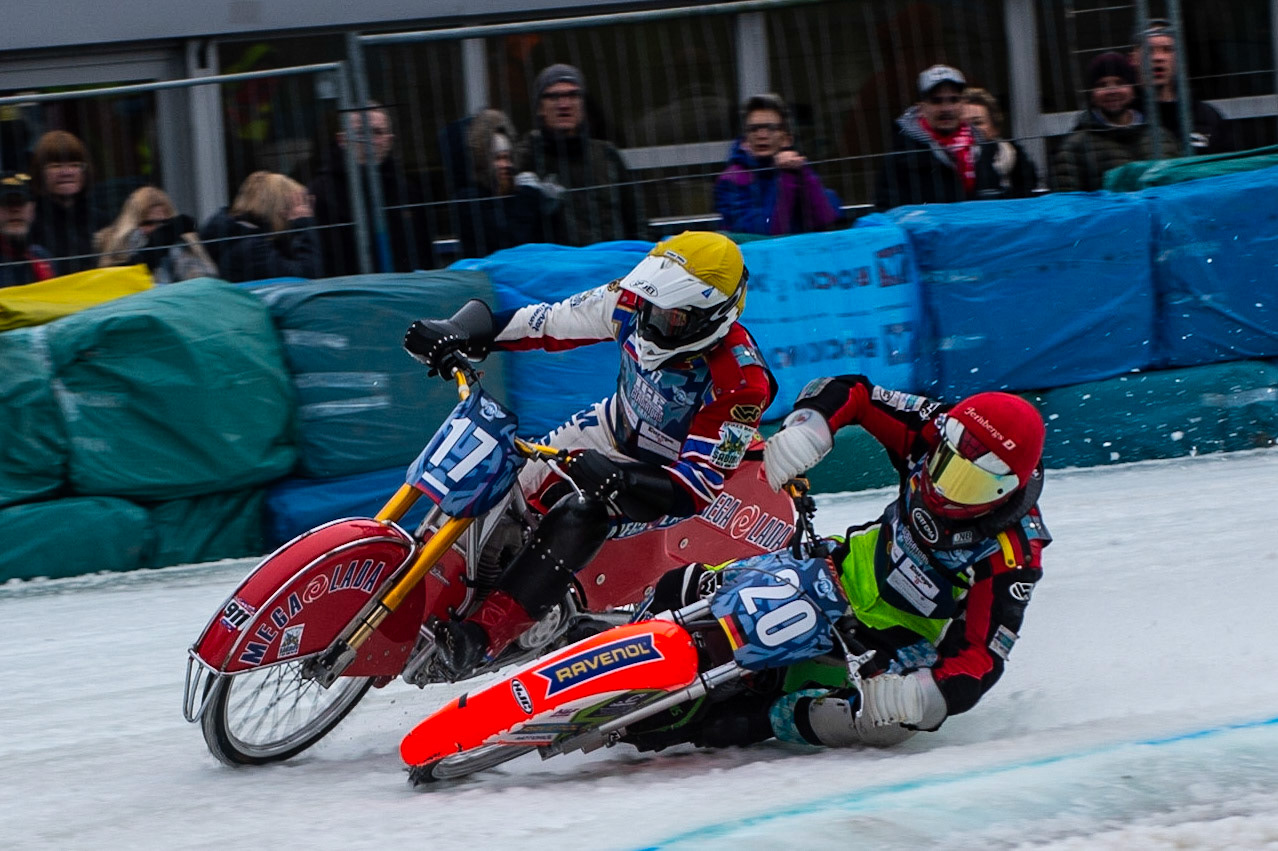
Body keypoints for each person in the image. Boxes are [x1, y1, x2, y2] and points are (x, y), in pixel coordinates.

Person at [402, 231, 775, 678]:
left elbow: (695, 487)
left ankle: (484, 637)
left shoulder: (741, 382)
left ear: (710, 318)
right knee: (508, 476)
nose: (652, 322)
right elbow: (548, 323)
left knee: (581, 513)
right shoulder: (632, 303)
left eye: (671, 317)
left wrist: (624, 480)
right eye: (650, 305)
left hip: (664, 480)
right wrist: (464, 332)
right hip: (609, 428)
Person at [623, 375, 1050, 752]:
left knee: (878, 726)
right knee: (683, 585)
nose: (947, 489)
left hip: (896, 641)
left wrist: (919, 695)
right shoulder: (931, 427)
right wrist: (810, 429)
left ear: (1005, 491)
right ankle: (607, 638)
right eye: (944, 466)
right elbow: (854, 392)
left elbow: (981, 659)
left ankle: (763, 718)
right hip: (838, 567)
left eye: (971, 484)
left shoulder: (1014, 551)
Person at [515, 63, 645, 246]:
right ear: (540, 108)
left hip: (612, 264)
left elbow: (636, 222)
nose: (564, 105)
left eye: (573, 95)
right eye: (553, 97)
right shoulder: (526, 158)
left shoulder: (607, 155)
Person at [307, 103, 437, 276]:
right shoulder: (320, 192)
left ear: (390, 139)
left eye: (377, 132)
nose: (370, 141)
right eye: (361, 133)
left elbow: (424, 252)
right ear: (342, 140)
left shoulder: (408, 191)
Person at [874, 65, 1013, 211]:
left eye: (953, 100)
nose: (946, 108)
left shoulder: (983, 147)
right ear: (921, 106)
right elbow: (888, 209)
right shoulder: (901, 155)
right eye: (936, 101)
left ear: (962, 104)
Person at [714, 93, 843, 236]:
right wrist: (786, 176)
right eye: (754, 129)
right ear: (745, 140)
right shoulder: (732, 180)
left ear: (787, 139)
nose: (762, 135)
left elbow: (824, 219)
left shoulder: (799, 169)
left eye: (770, 128)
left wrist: (802, 170)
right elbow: (765, 232)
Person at [1051, 52, 1181, 192]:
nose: (1111, 90)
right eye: (1102, 85)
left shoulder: (1162, 138)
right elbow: (1068, 205)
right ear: (1092, 96)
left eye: (1120, 82)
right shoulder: (1074, 149)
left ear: (1133, 90)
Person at [1130, 18, 1234, 155]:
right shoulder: (1128, 118)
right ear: (1133, 59)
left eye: (1167, 50)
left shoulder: (1206, 116)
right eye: (1150, 50)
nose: (1158, 57)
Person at [199, 171, 322, 283]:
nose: (291, 218)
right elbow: (306, 278)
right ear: (279, 210)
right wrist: (303, 226)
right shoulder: (251, 248)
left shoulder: (240, 237)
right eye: (292, 208)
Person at [451, 109, 541, 259]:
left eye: (508, 157)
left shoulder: (518, 195)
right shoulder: (469, 200)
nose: (505, 164)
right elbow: (510, 239)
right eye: (497, 158)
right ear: (483, 159)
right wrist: (529, 197)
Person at [27, 130, 111, 276]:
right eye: (55, 166)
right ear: (39, 173)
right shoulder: (29, 225)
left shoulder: (103, 222)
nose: (66, 172)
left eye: (74, 164)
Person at [95, 186, 218, 283]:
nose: (157, 228)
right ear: (134, 224)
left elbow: (204, 281)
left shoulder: (182, 245)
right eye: (149, 223)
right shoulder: (116, 250)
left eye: (164, 223)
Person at [961, 87, 1041, 196]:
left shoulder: (1017, 160)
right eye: (964, 124)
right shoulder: (952, 163)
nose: (971, 129)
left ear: (995, 128)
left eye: (977, 123)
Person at [0, 171, 56, 288]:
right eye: (6, 203)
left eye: (21, 202)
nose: (15, 210)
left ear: (32, 209)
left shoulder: (42, 257)